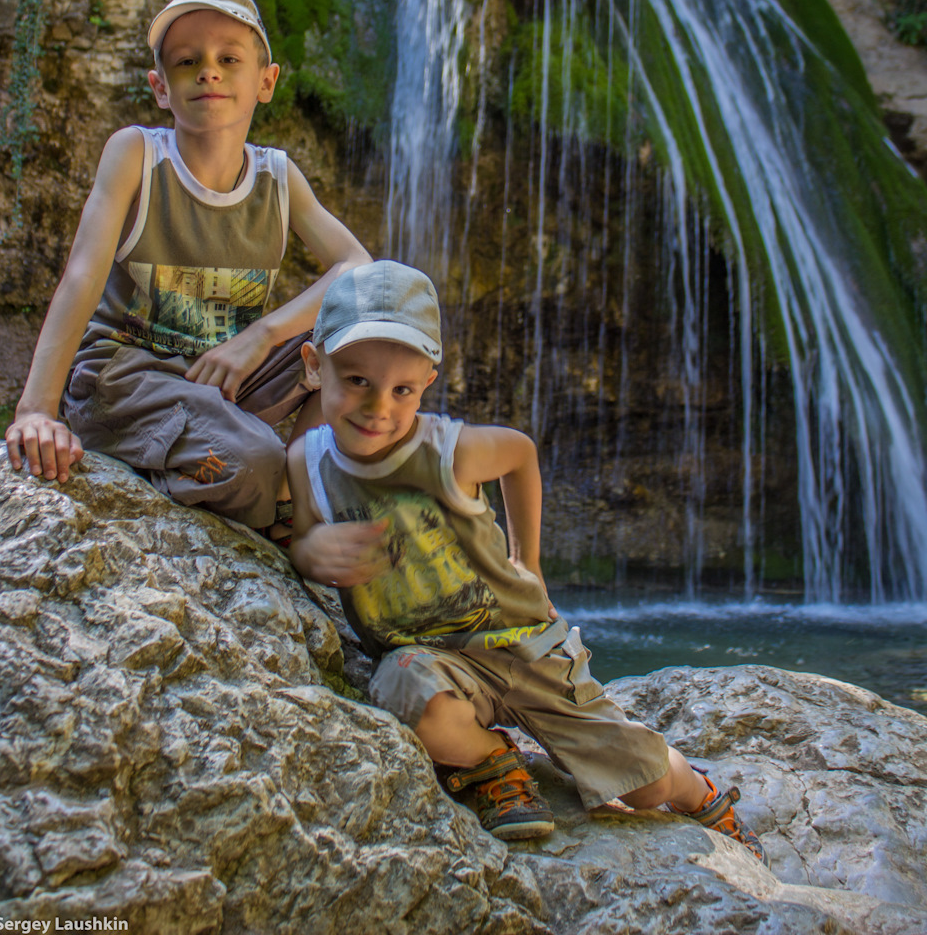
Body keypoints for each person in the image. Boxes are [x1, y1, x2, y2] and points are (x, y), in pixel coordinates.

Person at [286, 260, 769, 858]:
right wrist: (314, 552)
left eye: (401, 390)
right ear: (314, 365)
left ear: (428, 381)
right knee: (407, 694)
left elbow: (519, 454)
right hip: (434, 657)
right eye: (356, 380)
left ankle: (698, 791)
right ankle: (493, 761)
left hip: (525, 646)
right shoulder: (306, 461)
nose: (378, 407)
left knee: (642, 785)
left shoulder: (448, 451)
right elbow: (304, 537)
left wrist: (528, 561)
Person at [6, 0, 370, 540]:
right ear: (160, 87)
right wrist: (36, 409)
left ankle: (297, 502)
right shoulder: (136, 155)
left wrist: (261, 336)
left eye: (229, 58)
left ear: (265, 82)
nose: (209, 71)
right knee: (252, 461)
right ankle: (269, 497)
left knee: (361, 337)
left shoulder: (278, 177)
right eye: (187, 61)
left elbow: (359, 268)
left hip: (220, 386)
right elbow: (80, 276)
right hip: (127, 381)